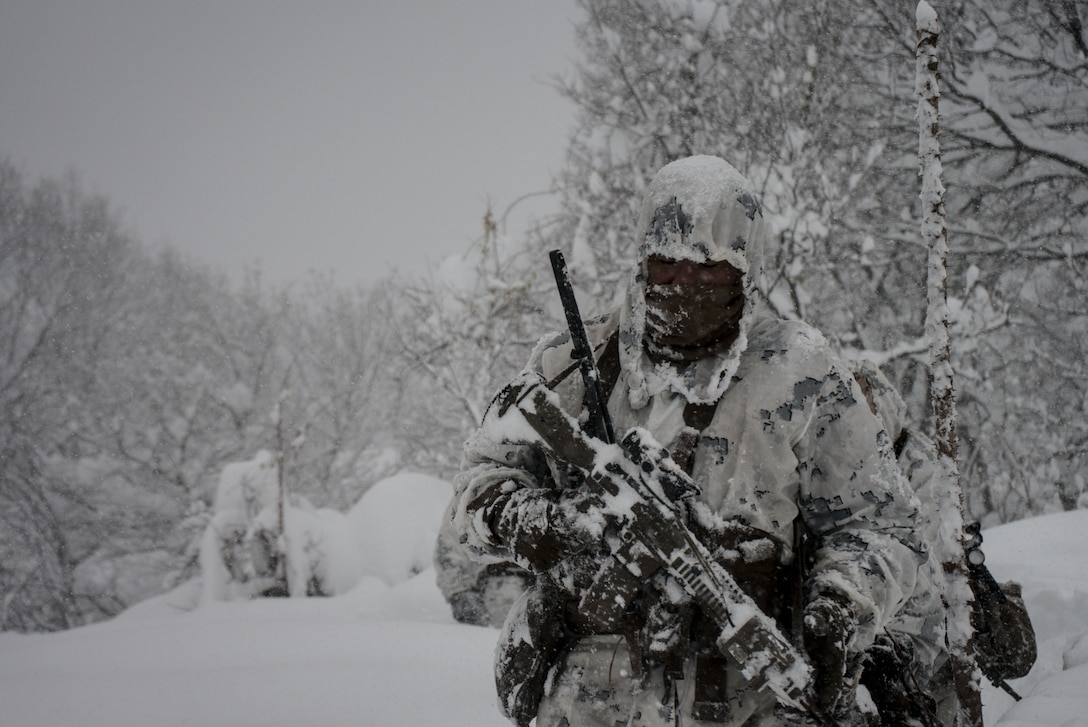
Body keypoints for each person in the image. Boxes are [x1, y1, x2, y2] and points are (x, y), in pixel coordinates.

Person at [449, 155, 928, 727]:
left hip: (751, 700)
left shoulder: (801, 372)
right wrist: (551, 530)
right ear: (642, 261)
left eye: (709, 271)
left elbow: (881, 525)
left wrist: (841, 605)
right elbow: (477, 493)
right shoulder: (574, 363)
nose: (684, 284)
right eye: (667, 265)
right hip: (590, 699)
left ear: (745, 274)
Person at [852, 360, 1036, 726]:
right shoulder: (856, 467)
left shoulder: (920, 474)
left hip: (923, 646)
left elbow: (924, 578)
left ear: (884, 407)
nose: (856, 423)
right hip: (881, 635)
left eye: (864, 408)